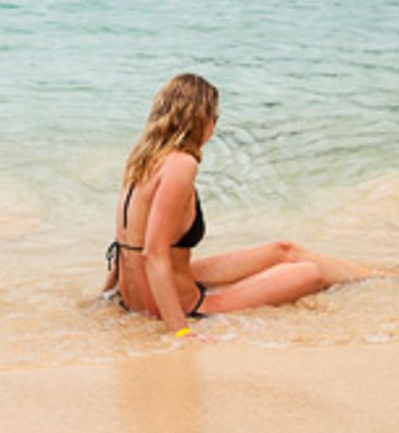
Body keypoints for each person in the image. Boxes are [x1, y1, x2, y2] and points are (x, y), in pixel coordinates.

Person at [103, 73, 376, 335]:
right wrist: (180, 330)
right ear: (200, 119)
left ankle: (377, 278)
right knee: (310, 274)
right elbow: (153, 252)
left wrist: (105, 296)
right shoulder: (181, 164)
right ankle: (379, 281)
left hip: (137, 296)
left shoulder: (142, 159)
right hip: (183, 305)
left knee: (282, 250)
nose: (215, 125)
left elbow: (125, 240)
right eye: (215, 117)